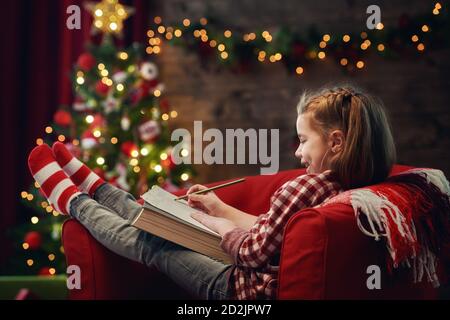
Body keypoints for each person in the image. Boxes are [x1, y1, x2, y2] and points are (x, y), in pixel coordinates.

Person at [27, 85, 396, 299]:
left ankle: (73, 201)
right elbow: (279, 233)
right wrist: (218, 209)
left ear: (336, 142)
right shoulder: (348, 185)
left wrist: (216, 227)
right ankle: (97, 188)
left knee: (156, 243)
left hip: (239, 288)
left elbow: (252, 252)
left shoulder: (304, 186)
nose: (298, 153)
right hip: (255, 275)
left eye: (303, 141)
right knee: (156, 221)